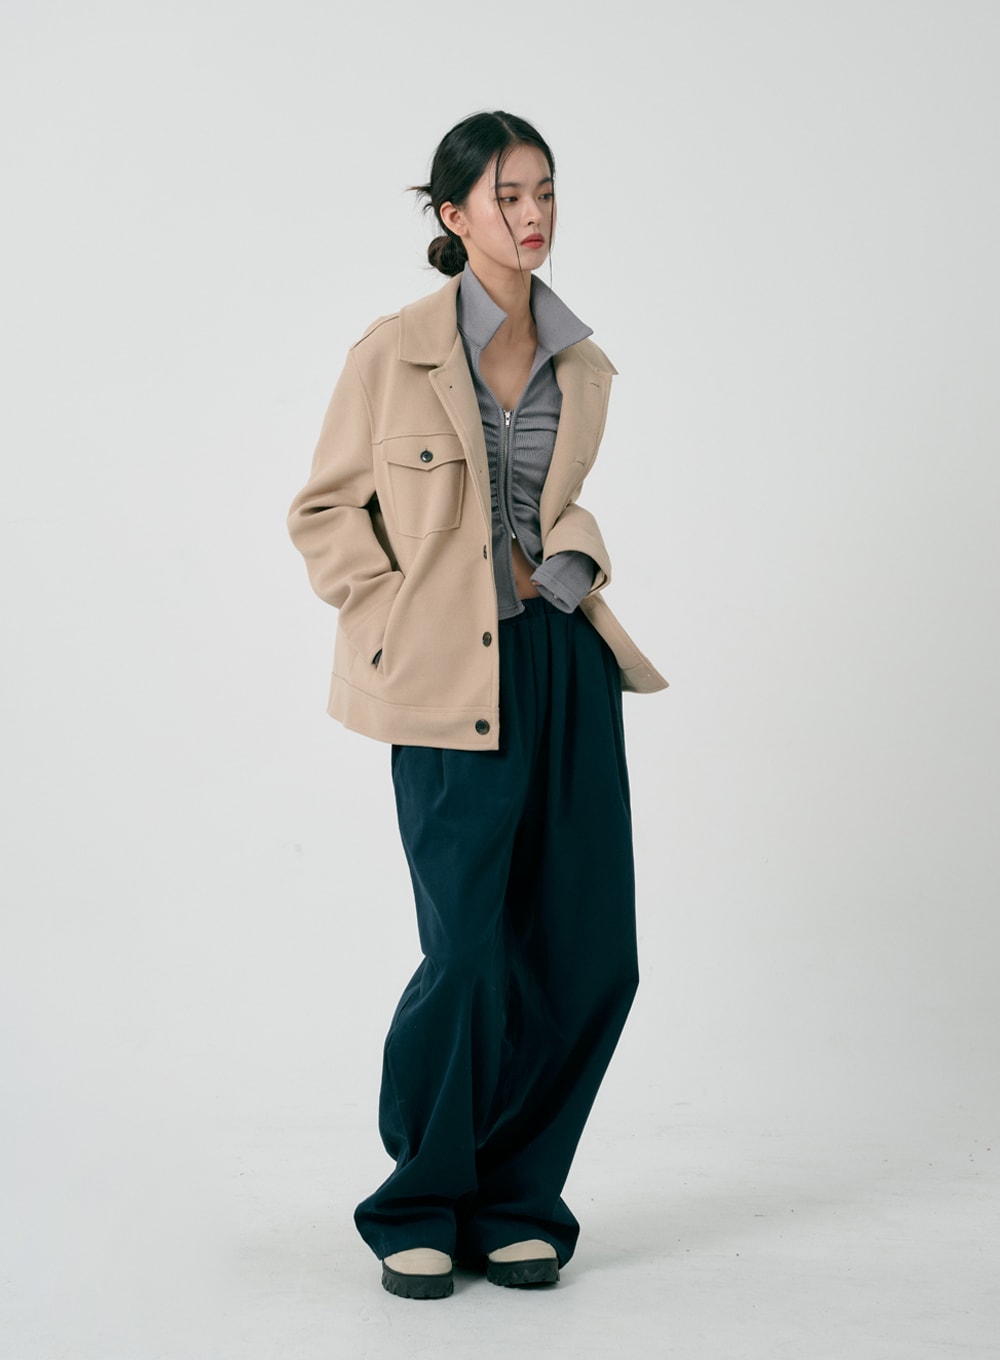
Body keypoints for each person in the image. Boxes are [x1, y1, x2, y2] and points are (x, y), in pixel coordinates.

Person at [287, 110, 667, 1300]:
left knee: (590, 953)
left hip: (564, 661)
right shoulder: (393, 351)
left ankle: (516, 1198)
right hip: (447, 678)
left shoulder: (581, 362)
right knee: (464, 954)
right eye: (507, 196)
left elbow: (548, 501)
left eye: (544, 190)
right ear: (452, 216)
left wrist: (576, 555)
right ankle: (419, 1198)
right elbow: (324, 510)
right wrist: (392, 614)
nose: (533, 214)